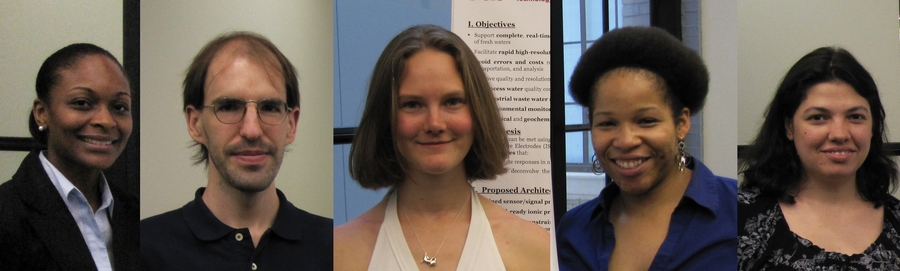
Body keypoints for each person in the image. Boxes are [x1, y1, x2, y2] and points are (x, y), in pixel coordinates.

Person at [333, 24, 550, 270]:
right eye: (413, 104)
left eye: (452, 101)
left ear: (478, 112)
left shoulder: (536, 249)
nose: (434, 123)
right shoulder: (339, 252)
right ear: (386, 118)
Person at [140, 32, 332, 270]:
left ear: (291, 125)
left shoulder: (334, 246)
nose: (251, 130)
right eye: (229, 106)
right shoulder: (144, 249)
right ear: (195, 123)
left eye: (270, 107)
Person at [556, 26, 737, 270]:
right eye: (607, 123)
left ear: (681, 123)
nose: (626, 140)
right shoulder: (574, 230)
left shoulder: (740, 212)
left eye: (646, 121)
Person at [738, 47, 900, 270]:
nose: (840, 134)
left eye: (855, 117)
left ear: (873, 127)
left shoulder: (896, 219)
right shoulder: (739, 218)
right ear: (789, 127)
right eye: (818, 117)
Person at [0, 43, 139, 270]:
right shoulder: (7, 214)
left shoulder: (134, 214)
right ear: (42, 113)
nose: (106, 120)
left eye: (120, 107)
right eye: (82, 103)